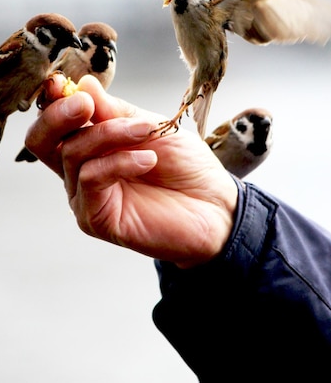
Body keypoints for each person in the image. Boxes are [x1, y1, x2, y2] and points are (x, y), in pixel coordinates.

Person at [25, 75, 331, 381]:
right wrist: (231, 223)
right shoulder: (228, 136)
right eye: (255, 122)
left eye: (267, 124)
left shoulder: (265, 148)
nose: (262, 128)